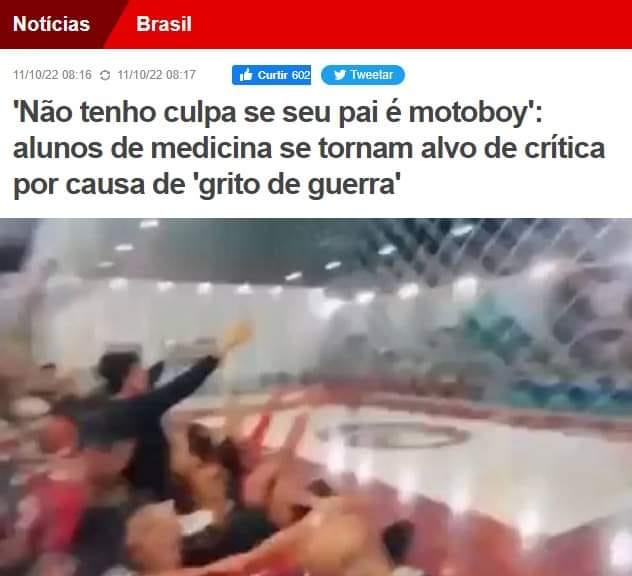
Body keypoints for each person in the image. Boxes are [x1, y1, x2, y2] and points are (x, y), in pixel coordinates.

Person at [86, 321, 252, 502]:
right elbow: (180, 387)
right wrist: (215, 357)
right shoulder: (139, 408)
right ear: (129, 377)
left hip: (133, 495)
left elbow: (158, 374)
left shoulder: (106, 407)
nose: (145, 374)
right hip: (149, 497)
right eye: (140, 371)